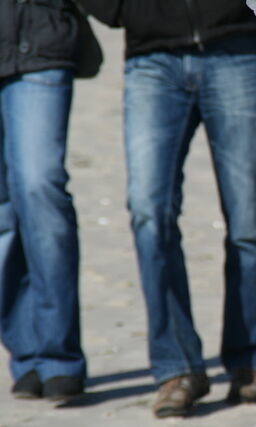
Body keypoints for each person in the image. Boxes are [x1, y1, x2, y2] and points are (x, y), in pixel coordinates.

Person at [79, 0, 256, 417]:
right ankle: (177, 368)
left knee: (251, 218)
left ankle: (252, 361)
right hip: (151, 59)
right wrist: (123, 9)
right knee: (148, 212)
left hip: (239, 48)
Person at [0, 0, 89, 401]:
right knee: (1, 213)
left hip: (40, 39)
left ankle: (59, 356)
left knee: (40, 188)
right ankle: (27, 351)